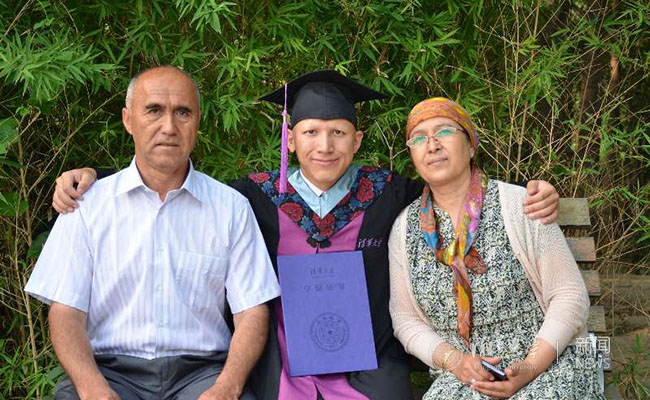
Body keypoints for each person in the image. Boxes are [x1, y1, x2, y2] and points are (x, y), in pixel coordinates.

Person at [50, 71, 561, 400]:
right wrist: (92, 178)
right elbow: (169, 177)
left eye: (338, 132)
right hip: (282, 356)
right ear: (290, 139)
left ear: (357, 140)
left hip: (368, 360)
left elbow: (453, 186)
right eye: (311, 132)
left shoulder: (391, 192)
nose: (325, 145)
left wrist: (535, 192)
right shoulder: (250, 197)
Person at [25, 66, 281, 400]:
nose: (169, 127)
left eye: (183, 112)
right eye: (154, 110)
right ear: (128, 120)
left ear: (198, 122)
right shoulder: (86, 206)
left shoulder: (230, 208)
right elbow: (66, 313)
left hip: (201, 375)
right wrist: (92, 388)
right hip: (110, 372)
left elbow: (251, 312)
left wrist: (227, 387)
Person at [388, 97, 604, 399]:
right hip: (464, 377)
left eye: (445, 131)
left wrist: (529, 367)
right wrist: (456, 362)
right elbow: (405, 319)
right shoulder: (405, 229)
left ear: (471, 145)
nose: (432, 145)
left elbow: (569, 296)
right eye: (419, 138)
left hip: (549, 364)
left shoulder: (521, 205)